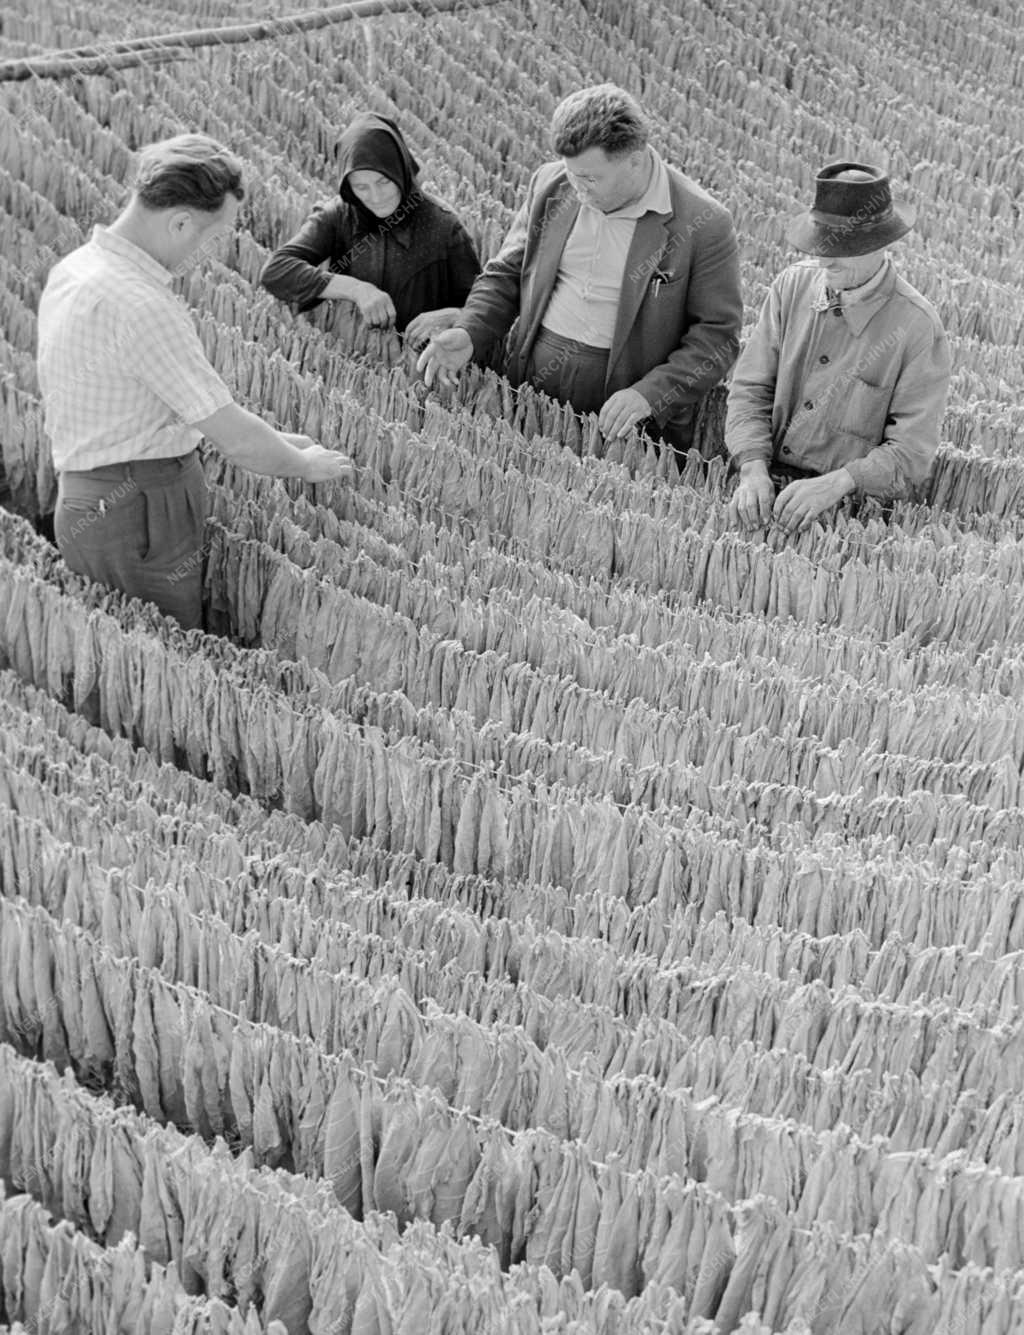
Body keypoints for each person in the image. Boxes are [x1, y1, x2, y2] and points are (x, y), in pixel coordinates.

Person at [36, 132, 353, 631]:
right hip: (139, 514)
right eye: (213, 236)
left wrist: (276, 440)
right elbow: (234, 438)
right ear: (180, 221)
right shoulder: (142, 306)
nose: (212, 251)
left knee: (121, 651)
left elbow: (140, 405)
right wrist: (302, 464)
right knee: (159, 650)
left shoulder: (74, 270)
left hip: (84, 502)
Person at [416, 84, 742, 455]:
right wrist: (470, 331)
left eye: (590, 178)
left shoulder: (703, 223)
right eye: (572, 174)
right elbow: (507, 273)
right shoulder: (551, 183)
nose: (577, 187)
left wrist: (649, 396)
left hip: (620, 404)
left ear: (635, 160)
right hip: (533, 374)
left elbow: (718, 337)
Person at [726, 162, 951, 533]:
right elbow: (750, 389)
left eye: (841, 246)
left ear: (881, 244)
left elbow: (911, 454)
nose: (824, 258)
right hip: (765, 496)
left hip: (848, 522)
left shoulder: (918, 329)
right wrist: (752, 468)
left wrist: (839, 482)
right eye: (821, 243)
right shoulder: (790, 288)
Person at [260, 112, 480, 346]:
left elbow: (482, 305)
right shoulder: (341, 215)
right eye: (361, 187)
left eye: (384, 182)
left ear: (400, 171)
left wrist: (451, 316)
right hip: (352, 353)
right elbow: (276, 270)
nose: (376, 197)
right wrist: (356, 289)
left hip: (419, 367)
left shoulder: (444, 227)